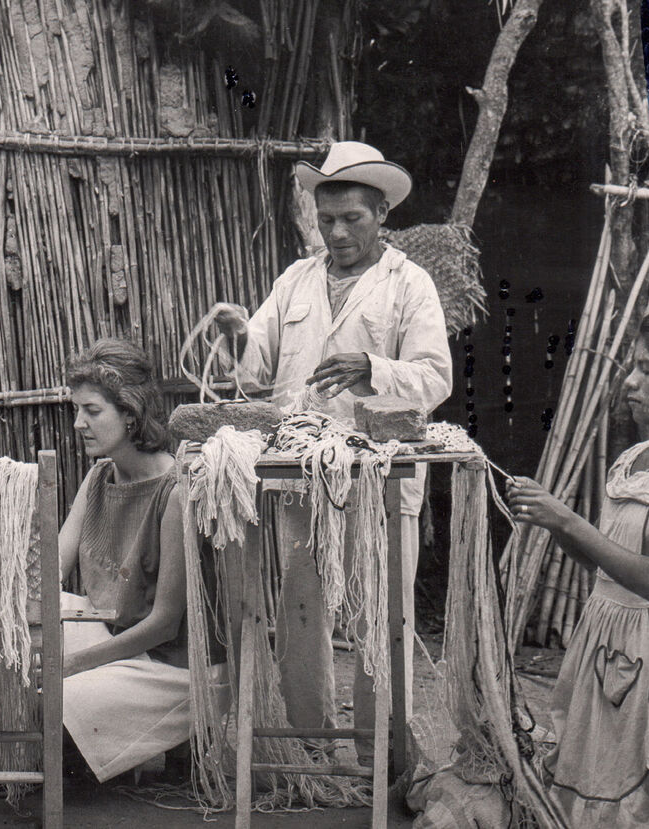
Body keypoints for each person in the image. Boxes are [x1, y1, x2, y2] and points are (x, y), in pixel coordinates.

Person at [209, 141, 453, 759]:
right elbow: (255, 360)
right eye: (327, 220)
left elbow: (435, 376)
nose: (338, 232)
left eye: (352, 218)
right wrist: (236, 333)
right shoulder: (295, 280)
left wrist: (372, 367)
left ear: (382, 216)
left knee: (382, 614)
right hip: (303, 468)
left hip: (380, 474)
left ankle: (382, 751)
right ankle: (309, 744)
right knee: (301, 606)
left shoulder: (408, 284)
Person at [57, 338, 227, 783]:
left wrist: (72, 665)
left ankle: (169, 738)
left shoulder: (176, 490)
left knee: (52, 712)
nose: (79, 423)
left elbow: (165, 625)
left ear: (130, 414)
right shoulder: (98, 477)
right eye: (77, 410)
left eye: (92, 411)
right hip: (119, 637)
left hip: (171, 666)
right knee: (40, 619)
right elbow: (51, 572)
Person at [505, 312, 649, 825]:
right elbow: (603, 562)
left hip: (646, 650)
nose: (631, 382)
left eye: (647, 370)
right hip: (605, 640)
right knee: (594, 764)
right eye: (634, 366)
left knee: (633, 776)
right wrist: (556, 525)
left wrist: (568, 518)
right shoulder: (633, 459)